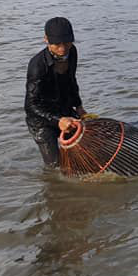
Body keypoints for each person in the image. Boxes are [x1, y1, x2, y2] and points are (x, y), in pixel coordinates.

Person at [25, 17, 87, 166]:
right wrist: (58, 120)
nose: (63, 48)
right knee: (55, 166)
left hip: (64, 110)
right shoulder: (37, 66)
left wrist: (78, 107)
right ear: (46, 39)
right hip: (41, 120)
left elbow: (71, 80)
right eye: (57, 44)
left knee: (84, 152)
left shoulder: (72, 52)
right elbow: (30, 106)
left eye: (67, 42)